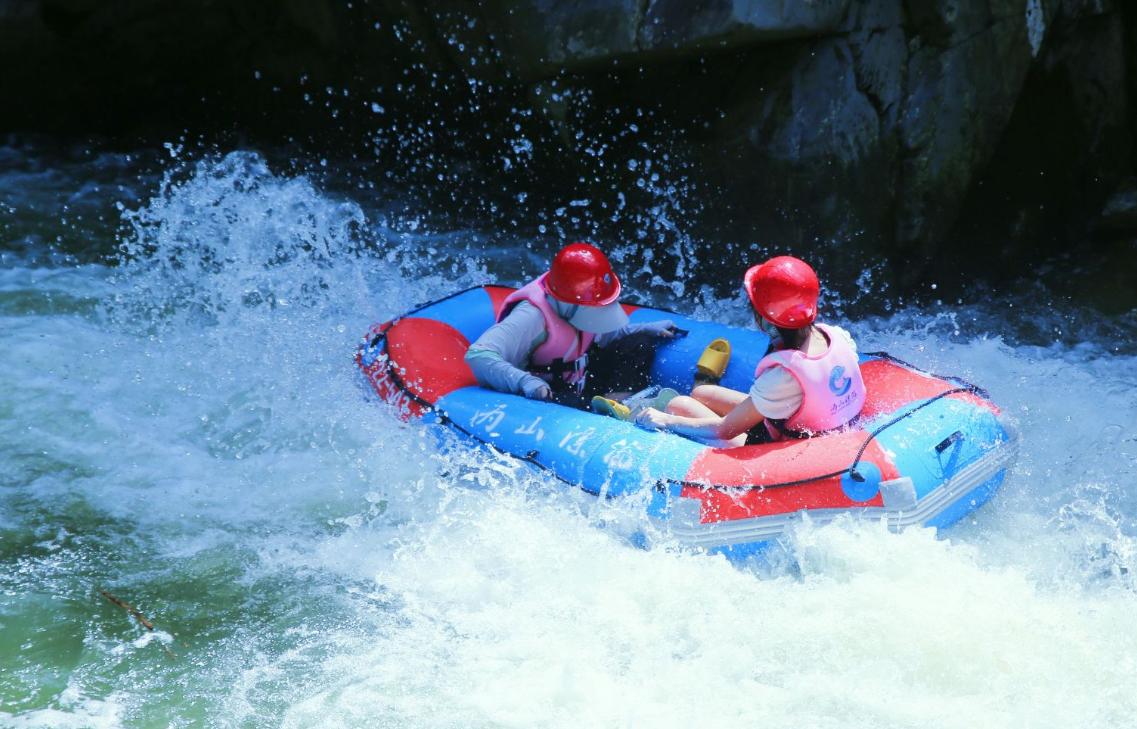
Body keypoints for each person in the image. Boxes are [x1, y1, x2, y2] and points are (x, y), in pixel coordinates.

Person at [635, 255, 865, 447]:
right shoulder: (837, 336)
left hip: (785, 451)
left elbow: (725, 430)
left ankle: (644, 412)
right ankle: (701, 384)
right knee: (702, 394)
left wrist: (665, 420)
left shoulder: (784, 376)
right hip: (799, 418)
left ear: (764, 316)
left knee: (678, 406)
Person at [465, 242, 678, 407]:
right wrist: (525, 382)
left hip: (582, 380)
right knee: (572, 404)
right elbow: (479, 355)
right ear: (570, 303)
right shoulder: (532, 316)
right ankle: (608, 410)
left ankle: (618, 404)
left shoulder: (579, 306)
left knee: (639, 344)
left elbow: (601, 334)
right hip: (550, 394)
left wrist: (643, 329)